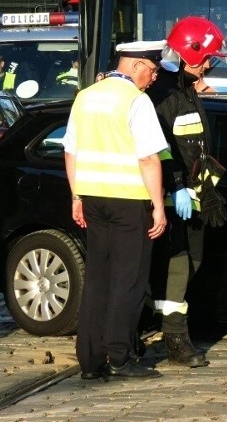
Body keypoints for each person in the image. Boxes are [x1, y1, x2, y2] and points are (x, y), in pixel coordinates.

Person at [64, 40, 169, 380]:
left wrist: (77, 196)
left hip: (93, 198)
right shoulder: (135, 101)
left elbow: (70, 152)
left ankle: (90, 362)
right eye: (152, 70)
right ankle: (120, 357)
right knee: (129, 280)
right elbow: (148, 158)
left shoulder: (86, 96)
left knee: (98, 279)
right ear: (137, 64)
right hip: (129, 201)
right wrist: (157, 206)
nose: (153, 78)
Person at [147, 16, 227, 368]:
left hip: (194, 194)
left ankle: (163, 328)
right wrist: (177, 188)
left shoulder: (184, 89)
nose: (209, 64)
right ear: (186, 53)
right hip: (171, 196)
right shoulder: (164, 94)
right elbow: (162, 149)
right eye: (206, 58)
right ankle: (175, 339)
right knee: (178, 266)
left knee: (191, 262)